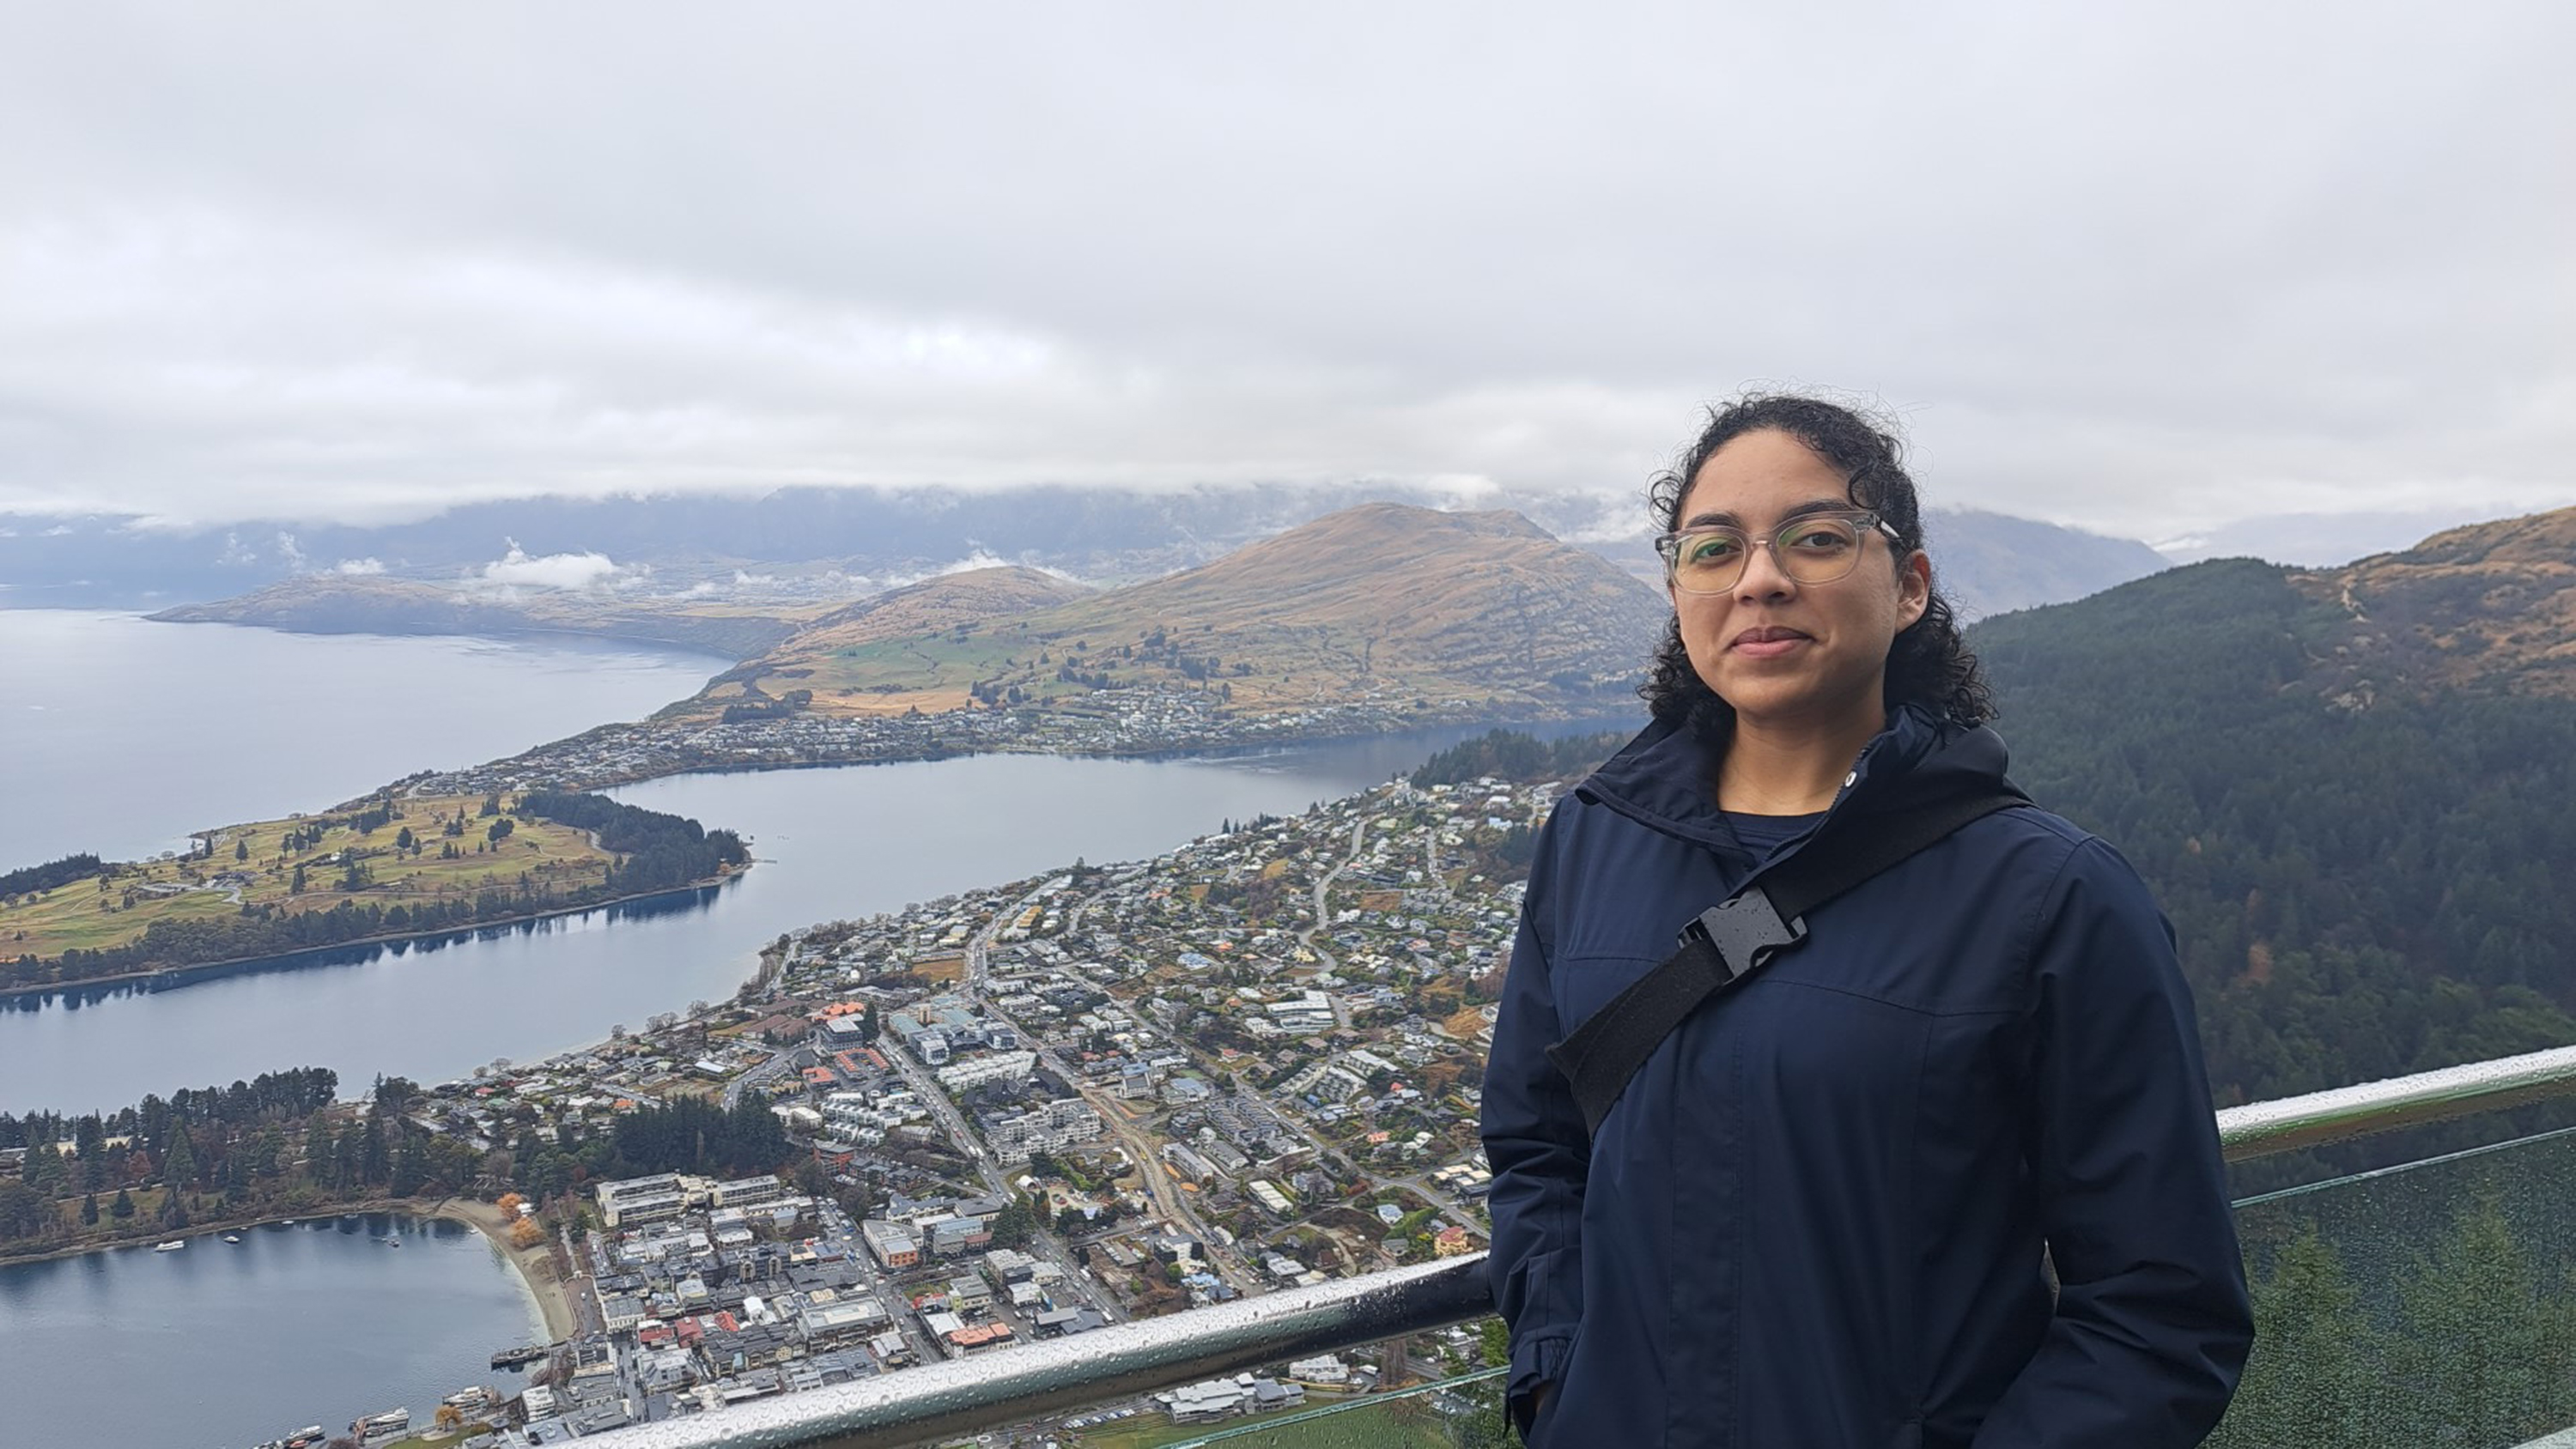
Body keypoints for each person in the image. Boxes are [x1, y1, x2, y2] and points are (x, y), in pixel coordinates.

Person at [1479, 394, 2252, 1448]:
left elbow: (2160, 1309)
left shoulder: (2052, 896)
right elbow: (1537, 1141)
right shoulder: (1592, 839)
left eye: (1816, 536)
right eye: (1714, 548)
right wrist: (1557, 1379)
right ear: (1678, 591)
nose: (1759, 578)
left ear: (1910, 585)